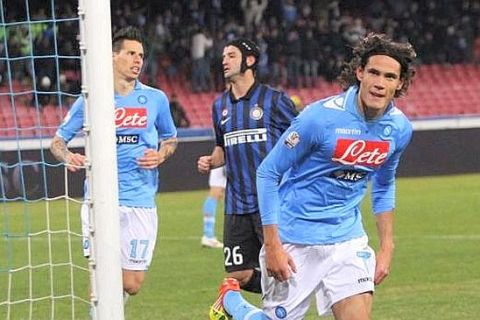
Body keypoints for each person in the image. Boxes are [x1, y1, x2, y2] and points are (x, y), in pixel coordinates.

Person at [210, 32, 417, 320]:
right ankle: (232, 302)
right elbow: (269, 172)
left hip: (348, 241)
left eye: (390, 77)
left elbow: (383, 184)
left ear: (401, 83)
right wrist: (272, 245)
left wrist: (387, 246)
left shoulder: (399, 129)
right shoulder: (319, 118)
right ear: (359, 73)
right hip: (296, 239)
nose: (380, 83)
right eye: (373, 72)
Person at [50, 26, 178, 306]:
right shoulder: (90, 99)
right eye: (131, 53)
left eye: (141, 55)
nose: (137, 60)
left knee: (131, 284)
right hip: (99, 199)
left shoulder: (155, 98)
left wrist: (161, 155)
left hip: (140, 199)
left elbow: (170, 139)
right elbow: (58, 142)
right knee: (100, 276)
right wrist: (67, 156)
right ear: (112, 57)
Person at [197, 38, 297, 314]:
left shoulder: (275, 101)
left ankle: (278, 305)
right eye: (223, 56)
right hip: (237, 205)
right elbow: (222, 148)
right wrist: (211, 160)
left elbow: (301, 142)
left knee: (283, 270)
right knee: (238, 274)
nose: (224, 60)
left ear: (249, 61)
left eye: (231, 55)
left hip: (273, 206)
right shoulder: (220, 107)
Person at [200, 166, 226, 248]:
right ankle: (208, 235)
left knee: (216, 194)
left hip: (220, 159)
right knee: (216, 193)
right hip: (225, 160)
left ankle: (208, 234)